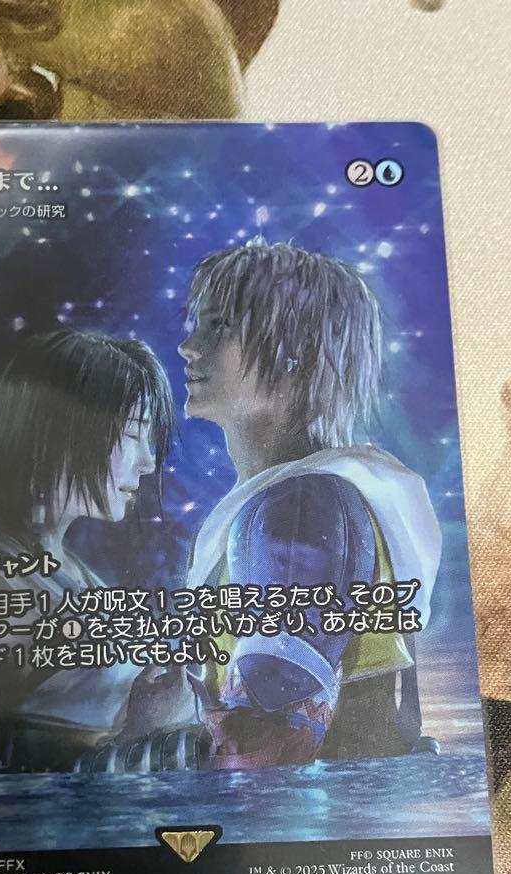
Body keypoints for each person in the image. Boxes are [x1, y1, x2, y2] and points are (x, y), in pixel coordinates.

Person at [178, 239, 442, 768]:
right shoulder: (307, 495)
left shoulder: (297, 507)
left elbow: (269, 738)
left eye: (220, 327)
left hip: (303, 803)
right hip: (334, 795)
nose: (189, 347)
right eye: (197, 326)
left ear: (291, 351)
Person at [0, 328, 188, 773]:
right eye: (132, 434)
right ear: (59, 433)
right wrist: (136, 731)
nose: (148, 462)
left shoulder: (76, 572)